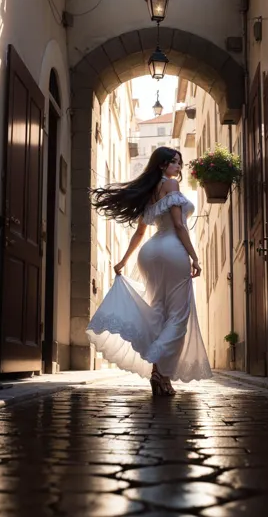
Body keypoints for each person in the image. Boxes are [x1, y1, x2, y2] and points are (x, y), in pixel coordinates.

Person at [87, 146, 212, 396]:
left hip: (149, 252)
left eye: (179, 163)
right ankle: (160, 372)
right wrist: (194, 257)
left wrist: (123, 261)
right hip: (172, 250)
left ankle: (161, 376)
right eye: (174, 162)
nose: (179, 167)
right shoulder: (171, 186)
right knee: (178, 315)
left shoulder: (149, 192)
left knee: (158, 314)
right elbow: (178, 224)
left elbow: (140, 233)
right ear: (162, 166)